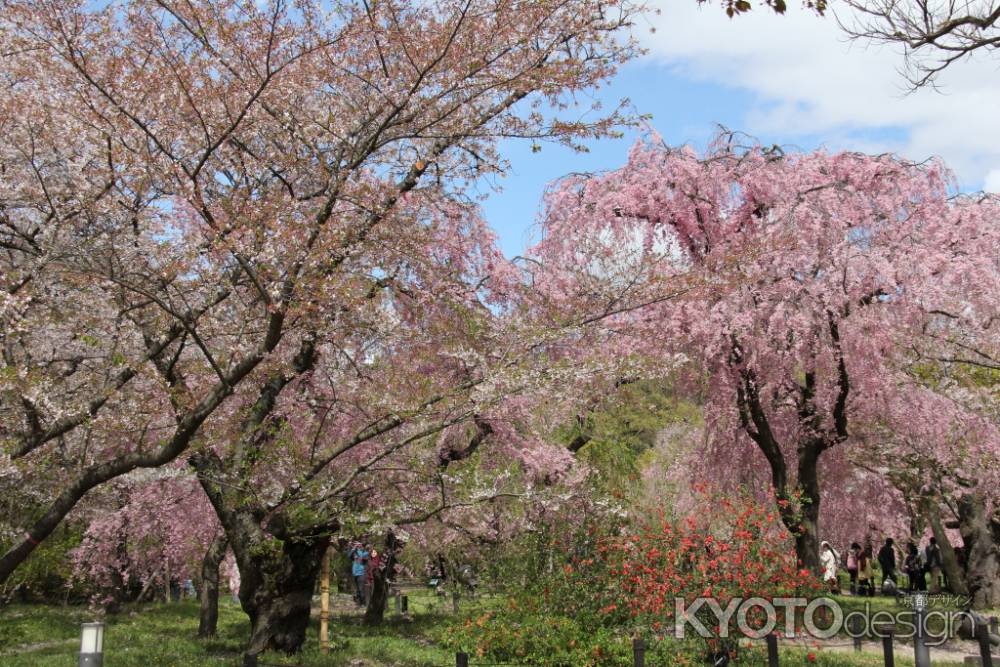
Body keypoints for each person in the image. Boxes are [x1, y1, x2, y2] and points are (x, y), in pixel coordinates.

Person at [348, 541, 370, 607]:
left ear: (361, 545)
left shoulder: (363, 552)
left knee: (361, 589)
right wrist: (353, 548)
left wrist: (361, 548)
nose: (357, 545)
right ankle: (358, 603)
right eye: (356, 544)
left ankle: (363, 603)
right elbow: (349, 556)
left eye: (359, 544)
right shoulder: (354, 552)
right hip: (355, 573)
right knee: (357, 589)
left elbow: (366, 555)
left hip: (361, 573)